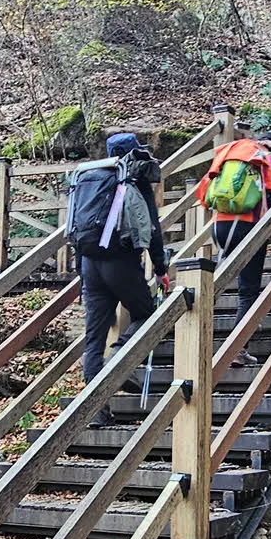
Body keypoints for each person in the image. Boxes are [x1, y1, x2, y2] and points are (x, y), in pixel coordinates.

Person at [79, 131, 170, 426]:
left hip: (89, 262)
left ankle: (96, 411)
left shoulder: (89, 178)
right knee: (147, 315)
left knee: (94, 338)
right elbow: (152, 227)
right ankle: (120, 357)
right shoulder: (133, 176)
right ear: (133, 152)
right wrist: (160, 266)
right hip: (120, 260)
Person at [195, 130, 271, 367]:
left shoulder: (230, 154)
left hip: (219, 227)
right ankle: (237, 349)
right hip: (249, 227)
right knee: (248, 292)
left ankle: (196, 346)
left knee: (215, 284)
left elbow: (204, 194)